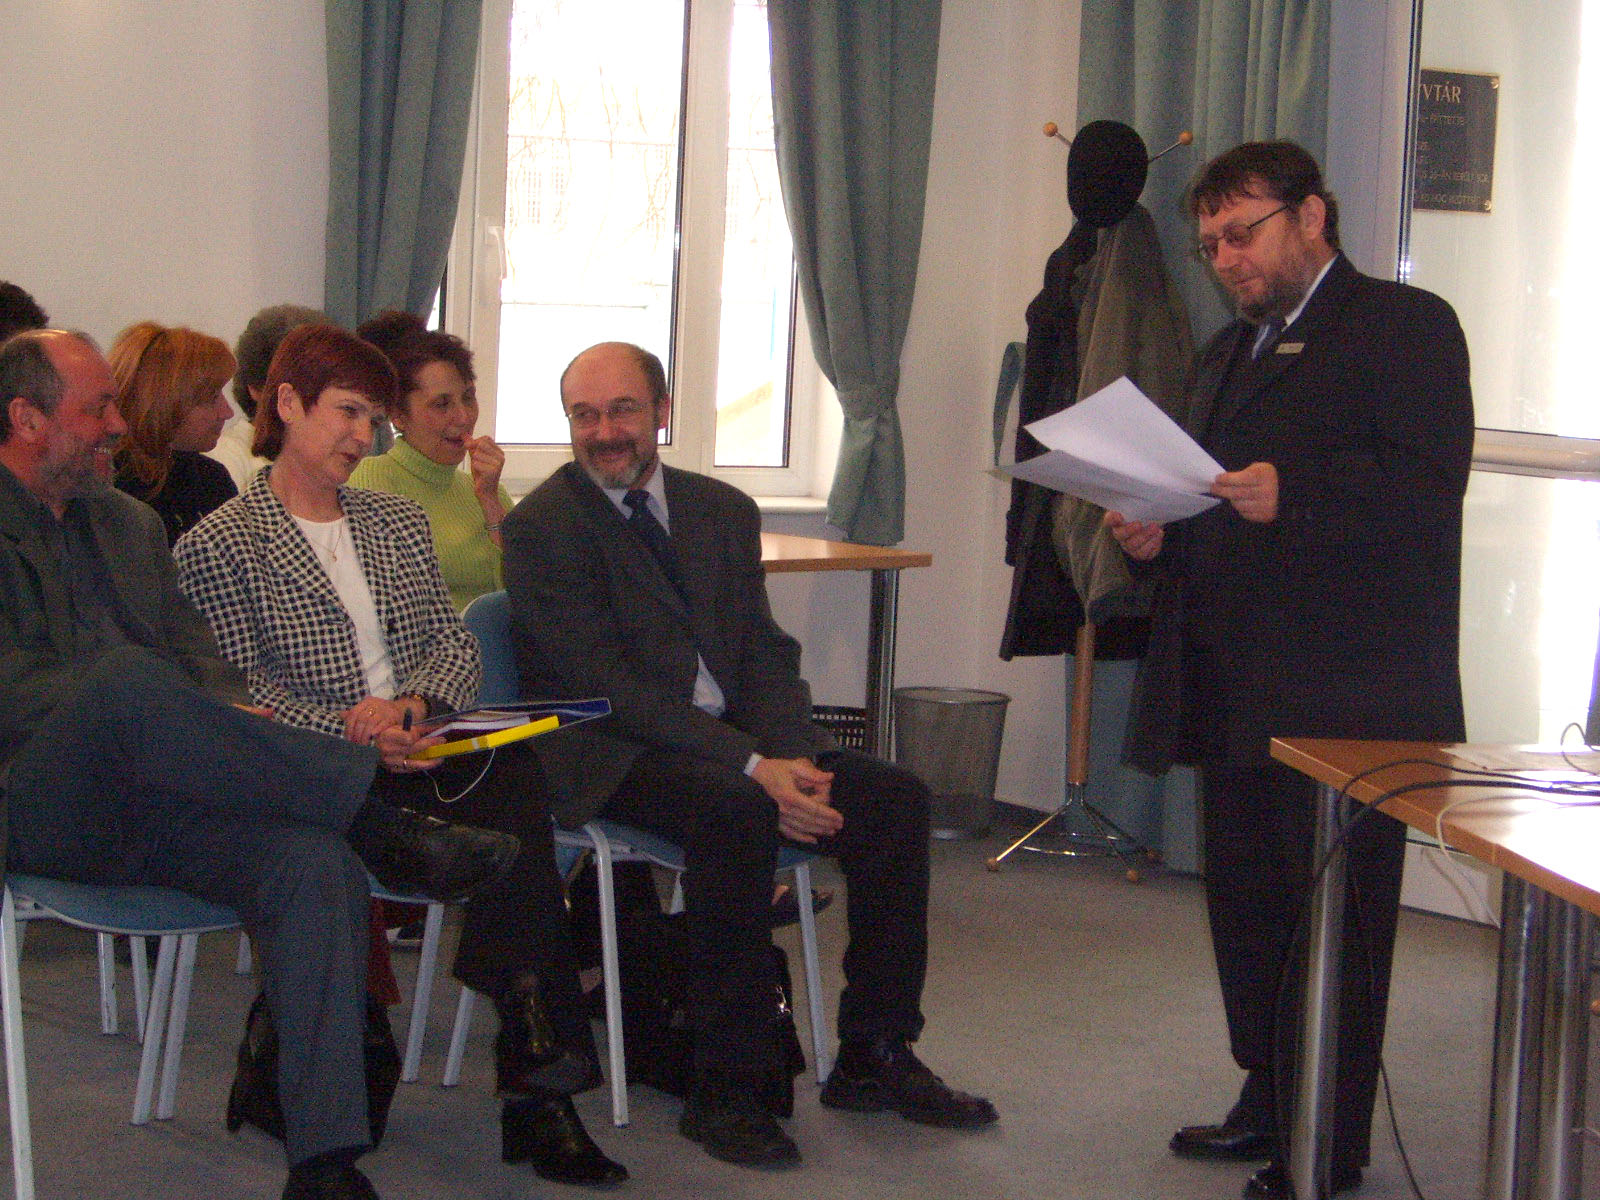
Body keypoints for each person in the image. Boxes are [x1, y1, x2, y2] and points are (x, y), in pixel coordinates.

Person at [0, 329, 517, 1200]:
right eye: (98, 409)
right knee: (125, 681)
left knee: (311, 864)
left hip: (169, 799)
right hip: (40, 800)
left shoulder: (127, 524)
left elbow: (203, 662)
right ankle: (373, 818)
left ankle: (324, 1163)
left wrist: (219, 711)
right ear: (25, 419)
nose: (119, 425)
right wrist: (155, 705)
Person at [502, 340, 998, 1168]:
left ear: (662, 411)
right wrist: (752, 767)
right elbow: (606, 685)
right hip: (609, 750)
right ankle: (724, 1087)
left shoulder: (720, 510)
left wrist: (796, 760)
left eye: (622, 410)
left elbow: (764, 655)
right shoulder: (542, 527)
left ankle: (875, 1051)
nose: (604, 432)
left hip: (735, 743)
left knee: (893, 799)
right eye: (584, 416)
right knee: (733, 810)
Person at [174, 323, 626, 1188]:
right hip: (318, 769)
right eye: (347, 413)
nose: (362, 436)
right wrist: (358, 729)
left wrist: (414, 708)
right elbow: (237, 694)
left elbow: (453, 645)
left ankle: (537, 1077)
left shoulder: (396, 521)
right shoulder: (219, 545)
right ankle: (537, 1079)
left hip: (422, 746)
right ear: (288, 403)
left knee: (513, 775)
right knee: (499, 823)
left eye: (373, 419)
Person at [1106, 142, 1474, 1200]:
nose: (1226, 258)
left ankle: (1328, 1140)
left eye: (1242, 233)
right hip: (1235, 679)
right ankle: (1266, 1094)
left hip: (1350, 689)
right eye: (1212, 242)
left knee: (1335, 921)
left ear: (1313, 215)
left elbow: (1428, 482)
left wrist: (1295, 490)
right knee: (1247, 907)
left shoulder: (1405, 325)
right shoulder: (1226, 352)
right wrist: (1155, 534)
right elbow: (1209, 497)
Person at [349, 311, 511, 612]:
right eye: (441, 404)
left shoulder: (488, 490)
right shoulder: (370, 482)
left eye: (468, 397)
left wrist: (490, 502)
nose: (463, 417)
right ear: (398, 415)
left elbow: (525, 590)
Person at [109, 320, 239, 544]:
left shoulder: (210, 479)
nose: (227, 412)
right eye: (211, 398)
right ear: (163, 403)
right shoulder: (110, 487)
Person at [210, 304, 325, 492]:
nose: (313, 397)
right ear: (256, 388)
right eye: (297, 384)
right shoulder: (227, 457)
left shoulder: (325, 457)